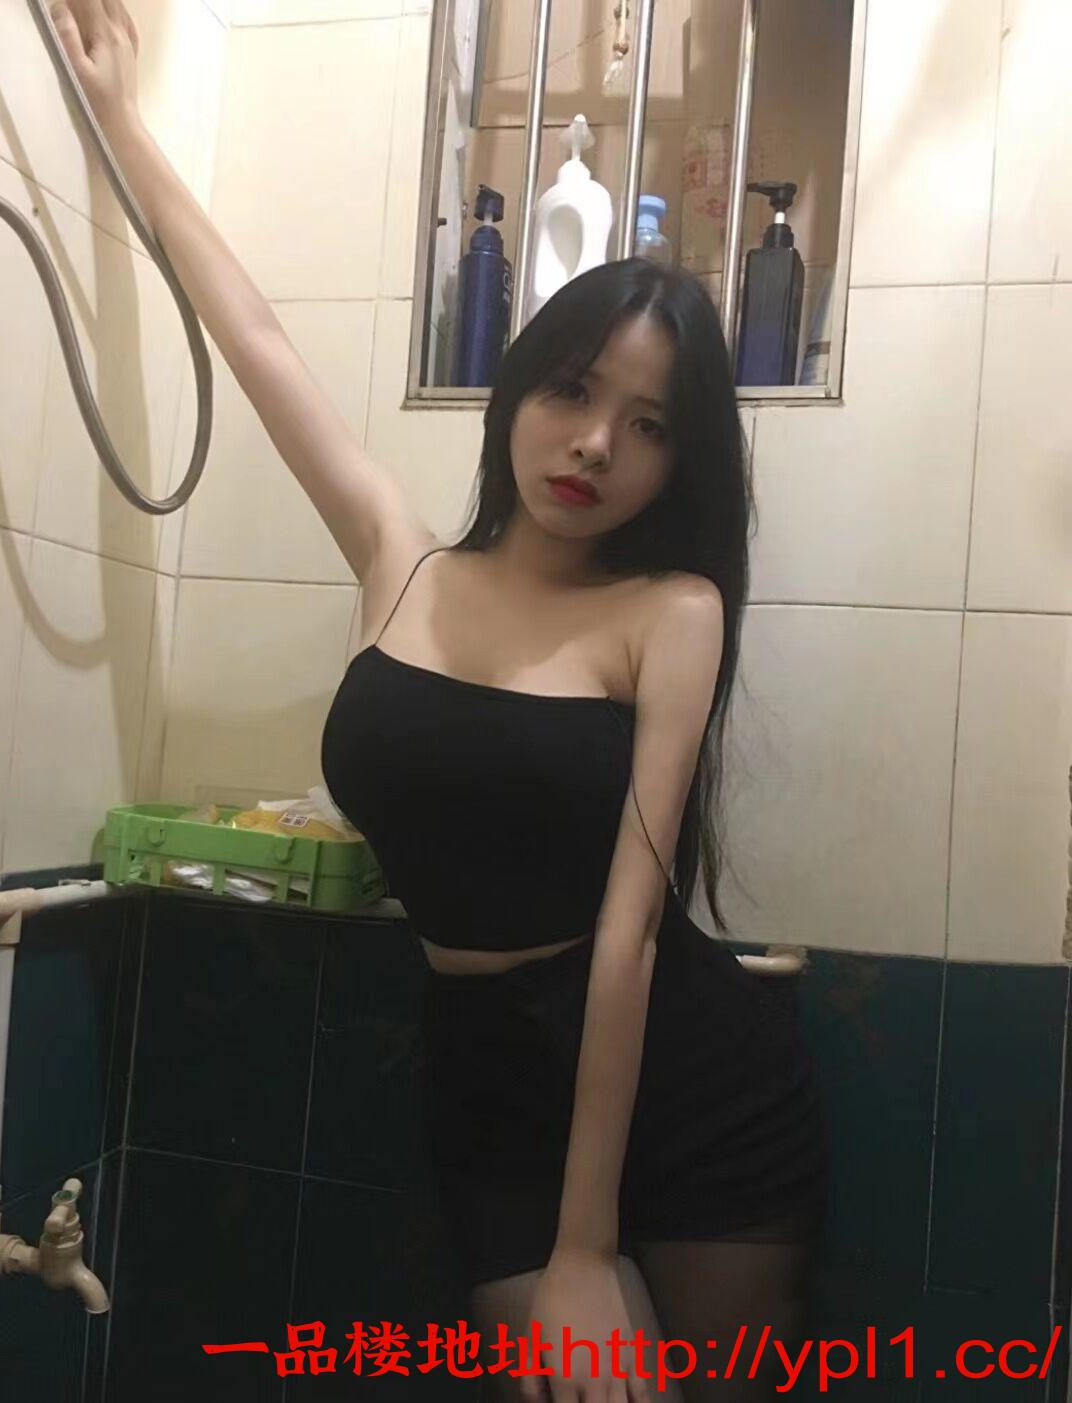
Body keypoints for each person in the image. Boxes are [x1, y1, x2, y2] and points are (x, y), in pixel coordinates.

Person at [53, 2, 830, 1398]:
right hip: (482, 1074)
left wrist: (587, 1246)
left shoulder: (670, 613)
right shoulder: (398, 561)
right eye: (574, 391)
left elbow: (627, 939)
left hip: (686, 1080)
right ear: (517, 387)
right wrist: (120, 124)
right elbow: (260, 341)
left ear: (681, 462)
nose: (594, 444)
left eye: (649, 425)